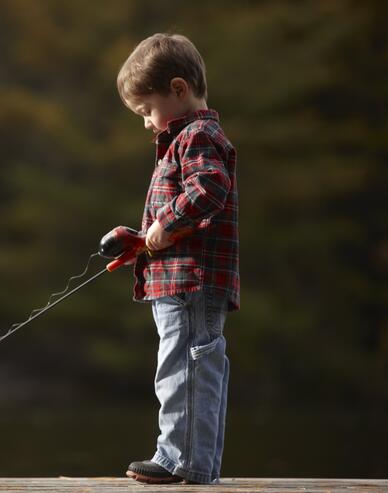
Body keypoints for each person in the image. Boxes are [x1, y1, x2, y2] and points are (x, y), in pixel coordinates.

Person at [114, 33, 240, 485]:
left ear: (179, 89)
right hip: (179, 281)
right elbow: (180, 220)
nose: (147, 123)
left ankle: (179, 461)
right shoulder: (185, 139)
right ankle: (195, 463)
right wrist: (141, 239)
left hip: (191, 283)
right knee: (194, 366)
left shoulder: (197, 135)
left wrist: (164, 222)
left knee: (184, 369)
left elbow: (209, 190)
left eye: (147, 110)